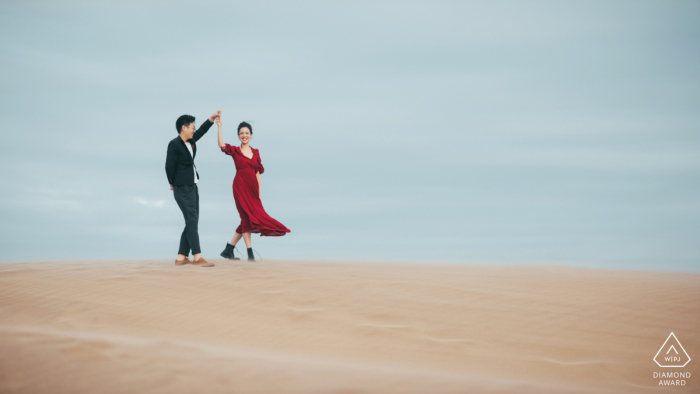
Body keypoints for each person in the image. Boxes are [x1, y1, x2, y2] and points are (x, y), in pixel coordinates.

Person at [217, 116, 290, 261]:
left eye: (247, 133)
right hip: (240, 186)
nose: (244, 135)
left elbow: (258, 173)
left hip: (253, 190)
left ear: (251, 135)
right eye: (241, 133)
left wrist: (259, 194)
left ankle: (228, 250)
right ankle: (250, 254)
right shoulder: (236, 151)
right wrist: (219, 126)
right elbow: (221, 145)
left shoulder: (256, 153)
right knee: (245, 218)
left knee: (250, 219)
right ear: (238, 136)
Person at [165, 111, 220, 267]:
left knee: (192, 221)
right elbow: (169, 165)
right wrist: (172, 182)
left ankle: (181, 257)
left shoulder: (191, 140)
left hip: (193, 185)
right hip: (182, 187)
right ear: (184, 127)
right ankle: (197, 257)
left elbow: (202, 130)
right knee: (192, 220)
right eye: (192, 127)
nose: (194, 130)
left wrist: (211, 119)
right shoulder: (174, 144)